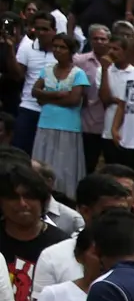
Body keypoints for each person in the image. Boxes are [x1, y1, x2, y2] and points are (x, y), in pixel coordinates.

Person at [28, 33, 90, 195]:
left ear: (70, 50)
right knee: (42, 163)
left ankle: (64, 197)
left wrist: (46, 98)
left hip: (68, 126)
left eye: (62, 47)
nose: (57, 50)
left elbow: (73, 100)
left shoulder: (78, 73)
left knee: (64, 166)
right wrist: (55, 95)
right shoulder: (47, 70)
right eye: (55, 46)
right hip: (46, 123)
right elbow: (35, 91)